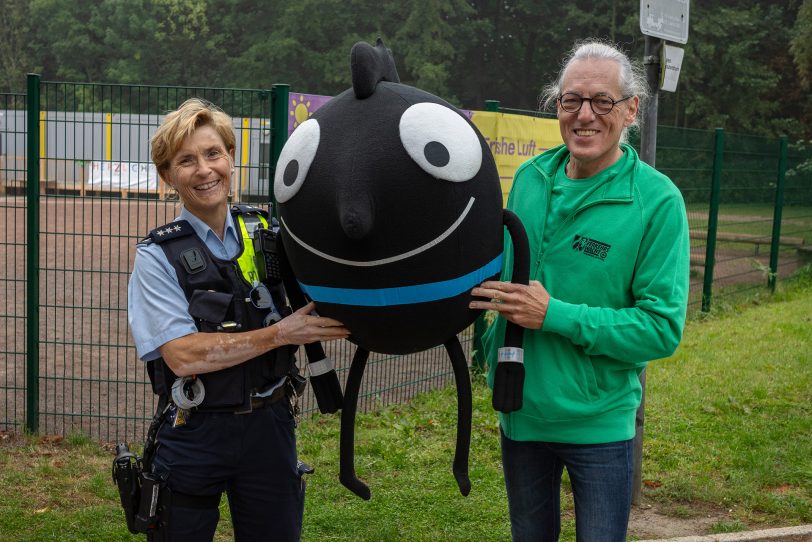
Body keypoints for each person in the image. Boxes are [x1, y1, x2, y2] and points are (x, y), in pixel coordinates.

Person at [470, 40, 690, 541]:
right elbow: (499, 274)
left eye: (601, 101)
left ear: (631, 110)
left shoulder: (656, 202)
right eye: (571, 101)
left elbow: (661, 330)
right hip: (520, 416)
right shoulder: (530, 177)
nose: (584, 115)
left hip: (599, 428)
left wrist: (554, 315)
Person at [127, 97, 348, 541]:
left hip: (271, 426)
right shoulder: (156, 257)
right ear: (168, 176)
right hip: (195, 430)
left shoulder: (269, 232)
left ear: (231, 157)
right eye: (186, 161)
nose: (204, 170)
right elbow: (182, 354)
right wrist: (280, 334)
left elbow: (329, 284)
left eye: (213, 154)